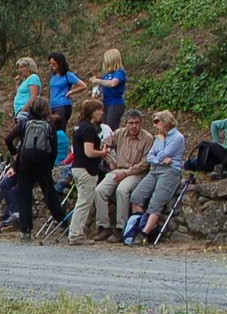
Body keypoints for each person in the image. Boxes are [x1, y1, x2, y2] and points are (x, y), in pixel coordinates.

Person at [2, 97, 65, 238]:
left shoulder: (25, 124)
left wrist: (15, 154)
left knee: (24, 195)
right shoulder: (49, 126)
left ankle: (26, 230)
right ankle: (63, 222)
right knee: (50, 195)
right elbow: (53, 149)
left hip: (24, 163)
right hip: (42, 164)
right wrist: (49, 165)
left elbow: (8, 139)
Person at [125, 111, 186, 245]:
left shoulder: (177, 137)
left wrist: (161, 151)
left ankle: (144, 233)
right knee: (136, 196)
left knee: (156, 203)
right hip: (155, 170)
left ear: (166, 122)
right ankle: (138, 225)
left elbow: (163, 154)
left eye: (157, 122)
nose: (155, 125)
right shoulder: (158, 138)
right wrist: (159, 160)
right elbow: (150, 156)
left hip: (170, 172)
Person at [92, 110, 153, 241]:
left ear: (141, 124)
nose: (134, 126)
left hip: (136, 173)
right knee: (99, 190)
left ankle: (121, 228)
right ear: (126, 124)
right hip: (118, 169)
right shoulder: (119, 133)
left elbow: (145, 163)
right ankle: (104, 226)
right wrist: (110, 161)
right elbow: (103, 144)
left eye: (137, 123)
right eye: (131, 123)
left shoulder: (147, 138)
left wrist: (126, 173)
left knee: (122, 190)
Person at [67, 100, 108, 245]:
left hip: (77, 167)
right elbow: (89, 152)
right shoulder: (89, 129)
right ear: (92, 112)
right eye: (99, 110)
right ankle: (76, 234)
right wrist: (102, 153)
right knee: (84, 202)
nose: (101, 113)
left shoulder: (79, 126)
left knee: (82, 201)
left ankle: (75, 232)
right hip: (86, 169)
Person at [4, 58, 45, 154]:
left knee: (18, 137)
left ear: (29, 67)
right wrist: (17, 84)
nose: (20, 70)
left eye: (23, 67)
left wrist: (24, 110)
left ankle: (17, 156)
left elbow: (34, 96)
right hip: (20, 112)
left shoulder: (33, 78)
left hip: (26, 112)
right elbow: (21, 94)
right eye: (19, 67)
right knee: (19, 137)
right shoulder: (24, 81)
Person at [88, 50, 128, 130]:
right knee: (103, 127)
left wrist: (98, 81)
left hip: (115, 103)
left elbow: (113, 83)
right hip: (105, 103)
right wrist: (97, 89)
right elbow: (104, 86)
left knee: (110, 128)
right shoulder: (107, 75)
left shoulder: (119, 72)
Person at [47, 52, 88, 128]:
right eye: (50, 64)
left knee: (60, 127)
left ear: (60, 63)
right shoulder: (53, 76)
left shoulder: (67, 75)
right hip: (52, 104)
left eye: (54, 64)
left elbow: (83, 85)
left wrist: (71, 92)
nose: (51, 66)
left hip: (62, 104)